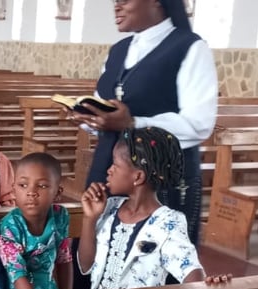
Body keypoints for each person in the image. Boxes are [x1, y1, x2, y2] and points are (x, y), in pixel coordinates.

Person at [70, 0, 217, 246]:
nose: (116, 7)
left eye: (124, 0)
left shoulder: (189, 47)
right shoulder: (119, 50)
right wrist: (88, 118)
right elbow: (104, 105)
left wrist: (134, 123)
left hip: (158, 178)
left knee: (151, 260)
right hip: (108, 169)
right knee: (97, 249)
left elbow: (199, 123)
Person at [78, 127, 232, 289]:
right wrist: (90, 218)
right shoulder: (110, 206)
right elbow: (85, 266)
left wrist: (208, 285)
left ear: (138, 177)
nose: (109, 170)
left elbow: (190, 270)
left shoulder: (168, 222)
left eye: (115, 164)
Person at [0, 152, 73, 289]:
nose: (31, 192)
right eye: (23, 185)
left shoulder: (60, 216)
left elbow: (64, 259)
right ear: (14, 190)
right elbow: (17, 275)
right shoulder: (9, 228)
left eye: (42, 186)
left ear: (57, 193)